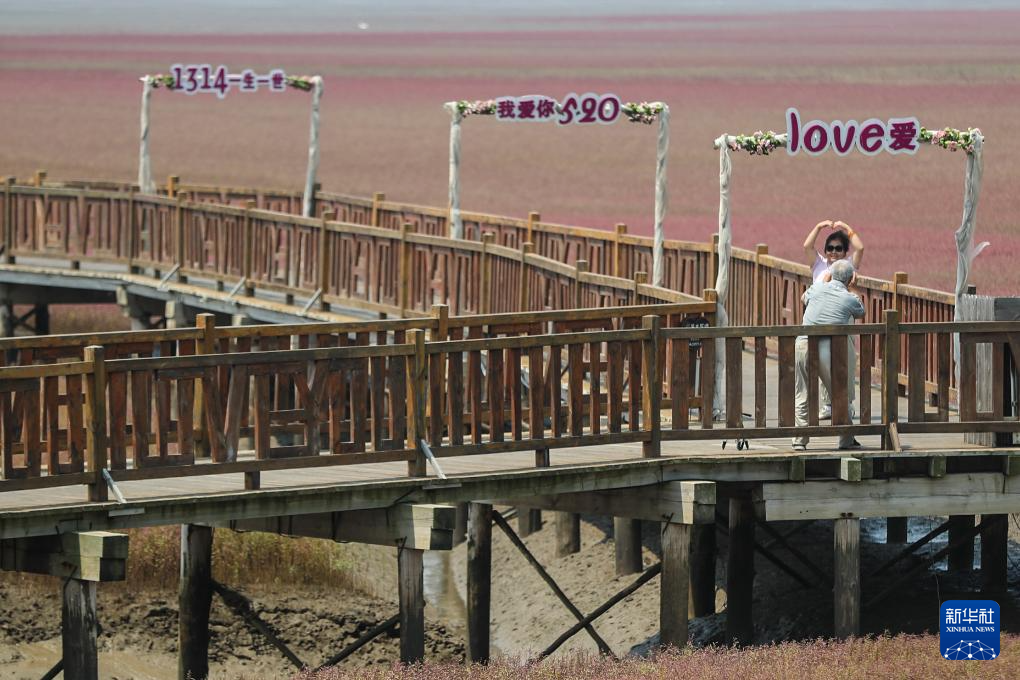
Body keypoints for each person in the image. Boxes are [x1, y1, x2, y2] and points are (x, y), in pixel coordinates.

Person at [792, 259, 864, 451]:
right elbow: (861, 311)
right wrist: (853, 288)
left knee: (802, 393)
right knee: (839, 393)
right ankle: (846, 439)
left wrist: (824, 281)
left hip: (803, 344)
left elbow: (804, 298)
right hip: (828, 348)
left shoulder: (816, 289)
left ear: (830, 274)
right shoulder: (849, 298)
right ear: (850, 279)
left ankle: (799, 440)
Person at [802, 220, 864, 418]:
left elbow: (860, 247)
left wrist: (847, 228)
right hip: (821, 319)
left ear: (845, 251)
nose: (833, 252)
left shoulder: (848, 266)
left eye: (838, 248)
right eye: (830, 248)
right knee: (823, 362)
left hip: (843, 319)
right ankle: (828, 404)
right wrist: (819, 227)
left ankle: (848, 403)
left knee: (846, 361)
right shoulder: (819, 264)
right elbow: (807, 246)